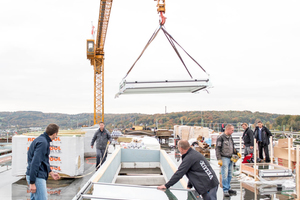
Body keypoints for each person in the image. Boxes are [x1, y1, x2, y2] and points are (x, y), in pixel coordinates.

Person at [26, 123, 61, 200]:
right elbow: (35, 163)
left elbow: (44, 160)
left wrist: (51, 172)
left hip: (35, 175)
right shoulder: (43, 143)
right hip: (37, 177)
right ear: (55, 134)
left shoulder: (42, 140)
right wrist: (32, 182)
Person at [216, 124, 241, 197]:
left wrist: (237, 152)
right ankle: (225, 189)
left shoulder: (230, 137)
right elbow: (217, 148)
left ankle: (228, 187)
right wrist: (219, 159)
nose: (233, 131)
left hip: (231, 157)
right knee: (225, 174)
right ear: (228, 129)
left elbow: (232, 146)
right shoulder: (221, 137)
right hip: (224, 157)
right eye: (232, 130)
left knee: (230, 174)